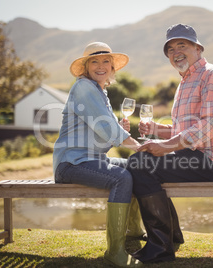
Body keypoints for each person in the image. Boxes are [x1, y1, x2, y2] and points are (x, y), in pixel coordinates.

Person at [127, 24, 213, 263]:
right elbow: (183, 131)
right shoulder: (185, 81)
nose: (175, 51)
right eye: (170, 49)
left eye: (182, 45)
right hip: (196, 157)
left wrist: (165, 146)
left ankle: (160, 246)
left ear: (198, 48)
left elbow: (209, 126)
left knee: (140, 163)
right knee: (141, 161)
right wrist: (159, 130)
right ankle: (171, 237)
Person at [53, 42, 143, 267]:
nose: (101, 65)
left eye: (106, 61)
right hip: (71, 162)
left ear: (113, 68)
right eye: (95, 61)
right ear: (86, 67)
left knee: (136, 166)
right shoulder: (84, 87)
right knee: (121, 178)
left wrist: (121, 132)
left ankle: (133, 231)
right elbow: (108, 130)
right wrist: (140, 148)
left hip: (92, 160)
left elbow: (104, 130)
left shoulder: (99, 91)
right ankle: (115, 251)